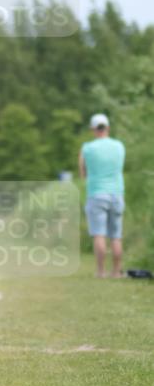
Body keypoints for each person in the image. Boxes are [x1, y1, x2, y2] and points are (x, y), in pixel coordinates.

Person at [79, 113, 126, 278]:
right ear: (108, 128)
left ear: (93, 129)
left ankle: (100, 271)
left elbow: (82, 173)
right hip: (117, 194)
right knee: (116, 236)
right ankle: (116, 272)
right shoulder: (119, 146)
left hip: (96, 194)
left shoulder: (87, 148)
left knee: (99, 234)